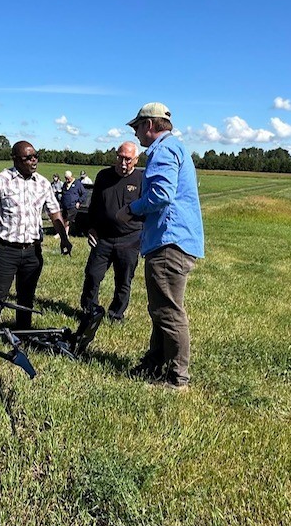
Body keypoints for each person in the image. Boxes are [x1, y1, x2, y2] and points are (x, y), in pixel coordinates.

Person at [121, 102, 204, 388]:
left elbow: (161, 195)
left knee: (168, 311)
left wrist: (133, 208)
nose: (135, 134)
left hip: (169, 242)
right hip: (175, 241)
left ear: (149, 125)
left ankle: (177, 377)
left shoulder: (163, 150)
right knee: (160, 309)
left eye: (137, 127)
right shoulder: (176, 147)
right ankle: (155, 364)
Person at [0, 141, 72, 331]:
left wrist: (64, 238)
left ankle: (23, 333)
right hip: (6, 250)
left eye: (35, 156)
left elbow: (54, 213)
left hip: (32, 252)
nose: (33, 160)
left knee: (26, 296)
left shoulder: (43, 183)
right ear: (15, 159)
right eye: (28, 158)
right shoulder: (2, 180)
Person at [74, 142, 145, 323]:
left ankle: (116, 315)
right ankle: (89, 311)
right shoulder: (103, 176)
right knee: (92, 275)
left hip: (129, 240)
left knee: (123, 280)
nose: (123, 163)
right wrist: (91, 228)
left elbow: (147, 209)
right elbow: (94, 206)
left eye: (128, 159)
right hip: (103, 238)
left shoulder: (142, 179)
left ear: (136, 160)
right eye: (120, 158)